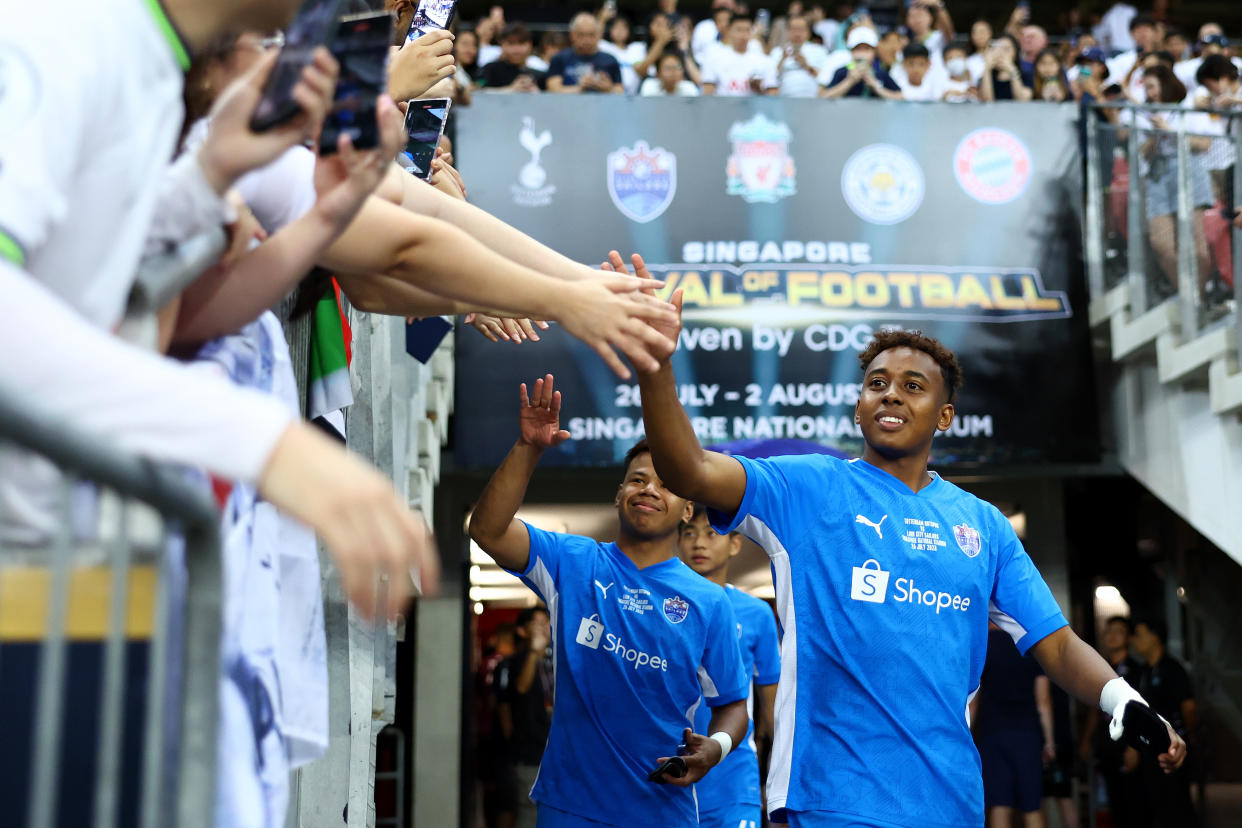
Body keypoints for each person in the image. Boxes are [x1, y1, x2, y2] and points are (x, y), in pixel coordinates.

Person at [616, 273, 1189, 827]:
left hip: (951, 802)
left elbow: (1058, 646)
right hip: (828, 800)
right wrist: (656, 365)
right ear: (860, 406)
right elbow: (687, 469)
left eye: (913, 386)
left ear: (944, 416)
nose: (891, 392)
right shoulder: (809, 490)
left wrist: (1124, 700)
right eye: (877, 383)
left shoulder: (983, 526)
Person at [467, 375, 750, 827]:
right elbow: (488, 531)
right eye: (637, 479)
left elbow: (733, 703)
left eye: (666, 484)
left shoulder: (709, 602)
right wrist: (528, 446)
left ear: (689, 510)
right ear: (619, 495)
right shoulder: (572, 562)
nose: (649, 489)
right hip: (569, 805)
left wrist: (714, 749)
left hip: (663, 809)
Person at [678, 506, 780, 828]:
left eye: (712, 533)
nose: (699, 543)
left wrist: (774, 782)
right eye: (689, 533)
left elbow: (771, 712)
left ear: (735, 544)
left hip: (734, 778)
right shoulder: (662, 607)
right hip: (673, 772)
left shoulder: (757, 614)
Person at [972, 623, 1055, 828]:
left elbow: (973, 700)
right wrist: (1050, 742)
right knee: (1032, 806)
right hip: (1027, 736)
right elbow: (1043, 702)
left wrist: (966, 736)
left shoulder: (984, 644)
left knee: (1000, 805)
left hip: (993, 734)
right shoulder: (1031, 646)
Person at [1133, 619, 1199, 827]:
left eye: (1139, 634)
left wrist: (1189, 739)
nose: (1135, 640)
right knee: (1156, 805)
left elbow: (1188, 708)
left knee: (1178, 804)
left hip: (1173, 748)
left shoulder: (1173, 669)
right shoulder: (1142, 672)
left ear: (1154, 637)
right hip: (1149, 749)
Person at [1079, 616, 1144, 828]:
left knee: (1133, 805)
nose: (1112, 636)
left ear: (1128, 638)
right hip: (1106, 745)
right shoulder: (1101, 668)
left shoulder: (1136, 670)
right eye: (1109, 631)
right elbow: (1094, 708)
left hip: (1128, 745)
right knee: (1112, 803)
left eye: (1119, 631)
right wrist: (1087, 740)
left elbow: (1140, 712)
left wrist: (1135, 746)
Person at [496, 606, 554, 828]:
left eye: (546, 623)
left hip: (549, 750)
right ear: (522, 631)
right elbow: (519, 689)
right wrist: (533, 652)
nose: (543, 628)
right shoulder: (515, 661)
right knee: (528, 812)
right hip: (528, 751)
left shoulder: (551, 659)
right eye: (537, 624)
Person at [701, 13, 778, 96]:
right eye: (739, 30)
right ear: (729, 31)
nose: (743, 35)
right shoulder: (714, 58)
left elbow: (772, 96)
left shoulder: (765, 61)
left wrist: (758, 89)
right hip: (723, 107)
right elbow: (707, 94)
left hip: (754, 107)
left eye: (747, 30)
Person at [547, 13, 623, 94]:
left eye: (591, 35)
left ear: (599, 35)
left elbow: (621, 92)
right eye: (581, 35)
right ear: (572, 35)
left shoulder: (610, 60)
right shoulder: (559, 59)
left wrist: (608, 89)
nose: (586, 40)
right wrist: (580, 88)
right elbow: (553, 91)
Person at [819, 27, 902, 100]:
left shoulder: (880, 72)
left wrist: (876, 86)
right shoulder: (842, 72)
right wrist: (849, 81)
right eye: (858, 49)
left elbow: (900, 97)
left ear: (874, 52)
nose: (862, 54)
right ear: (851, 51)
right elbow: (823, 97)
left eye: (866, 49)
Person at [477, 23, 547, 92]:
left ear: (530, 45)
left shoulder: (540, 74)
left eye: (521, 43)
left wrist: (537, 94)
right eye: (511, 43)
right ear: (502, 44)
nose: (516, 50)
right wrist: (510, 89)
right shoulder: (489, 70)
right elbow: (477, 91)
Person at [772, 15, 828, 98]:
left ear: (808, 32)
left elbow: (825, 77)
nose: (797, 33)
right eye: (794, 29)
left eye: (801, 29)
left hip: (811, 99)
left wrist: (806, 65)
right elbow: (771, 79)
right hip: (784, 99)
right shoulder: (777, 52)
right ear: (787, 31)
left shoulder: (819, 50)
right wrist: (782, 60)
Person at [980, 34, 1033, 102]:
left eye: (1006, 49)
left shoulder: (1026, 75)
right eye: (997, 49)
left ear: (1016, 52)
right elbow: (987, 101)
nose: (1001, 53)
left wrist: (1012, 71)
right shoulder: (987, 76)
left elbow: (1022, 99)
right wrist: (987, 68)